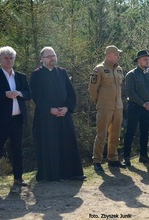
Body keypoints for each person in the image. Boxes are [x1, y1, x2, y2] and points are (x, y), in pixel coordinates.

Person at [30, 46, 86, 181]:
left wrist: (67, 108)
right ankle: (53, 175)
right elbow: (36, 96)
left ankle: (72, 173)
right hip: (46, 117)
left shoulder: (62, 72)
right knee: (50, 145)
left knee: (68, 143)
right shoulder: (36, 74)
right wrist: (50, 109)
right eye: (48, 56)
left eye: (53, 55)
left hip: (64, 114)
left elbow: (71, 93)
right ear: (42, 59)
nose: (52, 59)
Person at [0, 46, 31, 188]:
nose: (9, 60)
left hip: (17, 119)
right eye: (6, 58)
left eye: (11, 58)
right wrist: (4, 94)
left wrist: (20, 93)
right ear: (0, 60)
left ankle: (18, 178)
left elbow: (29, 93)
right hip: (0, 121)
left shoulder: (21, 76)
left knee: (17, 150)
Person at [88, 45, 125, 171]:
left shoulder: (119, 69)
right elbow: (92, 89)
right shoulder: (99, 69)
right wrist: (100, 102)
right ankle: (97, 160)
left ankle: (113, 158)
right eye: (116, 54)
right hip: (104, 107)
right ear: (109, 55)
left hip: (118, 107)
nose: (118, 56)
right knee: (102, 134)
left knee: (115, 133)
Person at [123, 50, 149, 166]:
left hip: (148, 108)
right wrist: (142, 103)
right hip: (135, 107)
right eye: (145, 59)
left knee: (145, 131)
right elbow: (130, 92)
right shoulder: (131, 74)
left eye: (148, 59)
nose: (147, 61)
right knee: (131, 131)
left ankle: (143, 156)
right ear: (138, 61)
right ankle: (126, 157)